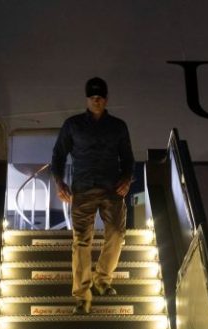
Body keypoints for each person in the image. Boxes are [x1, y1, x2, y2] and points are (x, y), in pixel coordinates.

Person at [51, 77, 135, 314]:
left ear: (106, 99)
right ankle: (81, 295)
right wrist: (59, 182)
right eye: (92, 97)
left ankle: (103, 279)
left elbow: (128, 158)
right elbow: (58, 155)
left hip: (112, 188)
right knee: (81, 240)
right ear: (87, 99)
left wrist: (127, 178)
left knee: (116, 233)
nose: (96, 101)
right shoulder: (73, 125)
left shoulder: (118, 126)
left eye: (100, 97)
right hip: (83, 189)